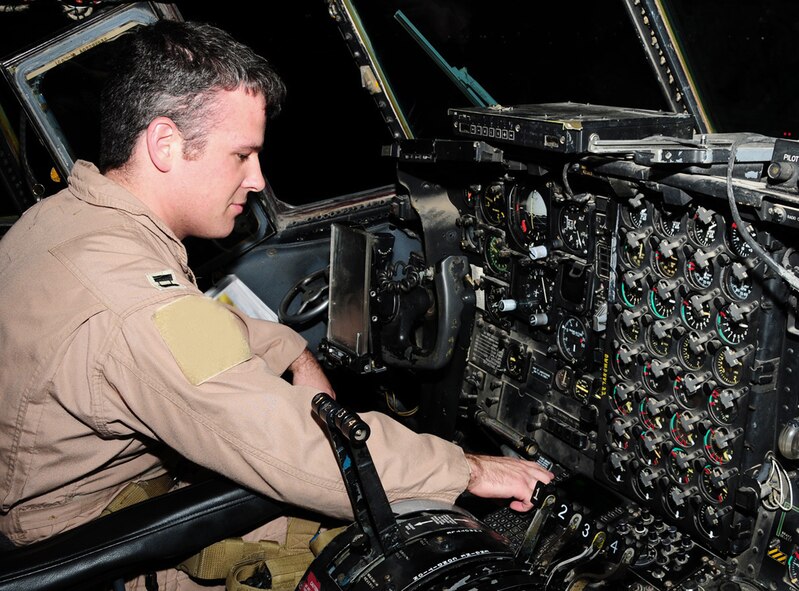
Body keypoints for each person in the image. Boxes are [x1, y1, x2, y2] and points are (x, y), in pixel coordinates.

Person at [0, 18, 553, 590]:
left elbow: (199, 327)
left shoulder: (76, 224)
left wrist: (293, 352)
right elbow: (284, 443)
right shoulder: (128, 301)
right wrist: (467, 468)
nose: (259, 179)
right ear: (166, 144)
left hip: (96, 501)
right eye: (242, 155)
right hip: (85, 545)